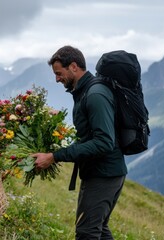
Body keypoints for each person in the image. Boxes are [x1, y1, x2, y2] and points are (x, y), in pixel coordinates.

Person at [33, 45, 127, 239]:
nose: (57, 79)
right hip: (103, 171)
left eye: (59, 73)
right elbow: (91, 133)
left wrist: (54, 157)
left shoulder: (95, 94)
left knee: (87, 232)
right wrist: (60, 127)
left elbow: (103, 142)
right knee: (98, 230)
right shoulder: (84, 92)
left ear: (73, 66)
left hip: (104, 174)